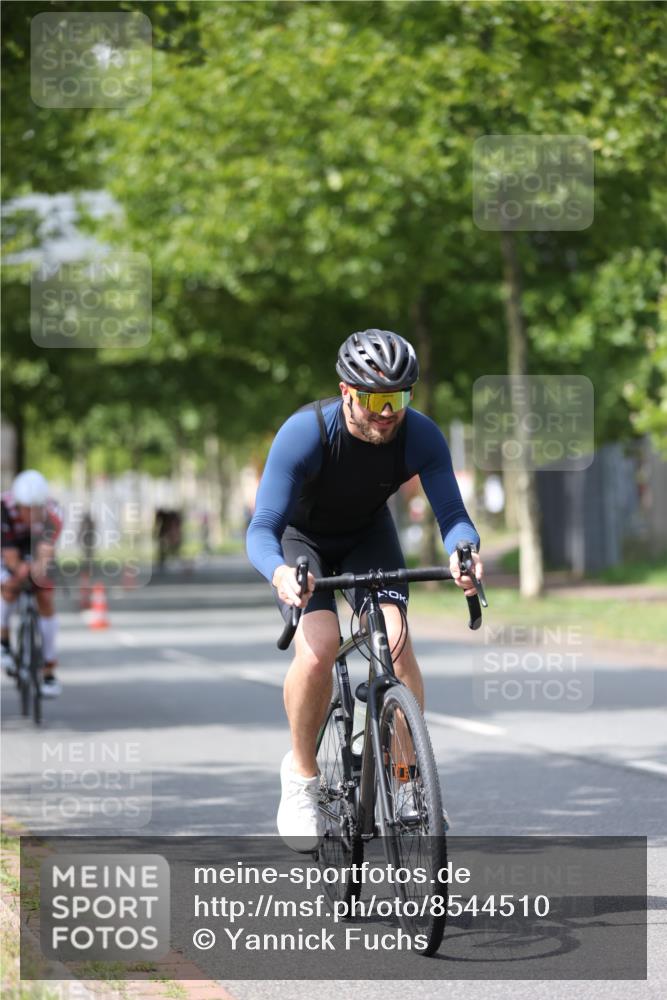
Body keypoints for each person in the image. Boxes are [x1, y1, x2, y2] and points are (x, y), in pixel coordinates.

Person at [246, 329, 483, 850]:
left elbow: (454, 516)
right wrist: (280, 574)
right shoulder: (304, 433)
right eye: (375, 399)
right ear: (346, 391)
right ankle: (302, 778)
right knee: (320, 648)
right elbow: (261, 527)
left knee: (395, 642)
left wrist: (464, 553)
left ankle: (408, 781)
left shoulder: (420, 435)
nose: (386, 413)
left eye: (398, 399)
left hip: (366, 537)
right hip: (301, 540)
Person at [1, 469, 63, 696]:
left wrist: (38, 571)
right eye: (26, 509)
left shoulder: (52, 513)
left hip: (36, 548)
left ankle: (48, 666)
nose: (31, 514)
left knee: (45, 596)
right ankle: (3, 639)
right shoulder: (3, 510)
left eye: (36, 509)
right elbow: (9, 557)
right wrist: (19, 572)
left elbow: (46, 551)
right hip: (8, 547)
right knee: (9, 586)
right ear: (17, 504)